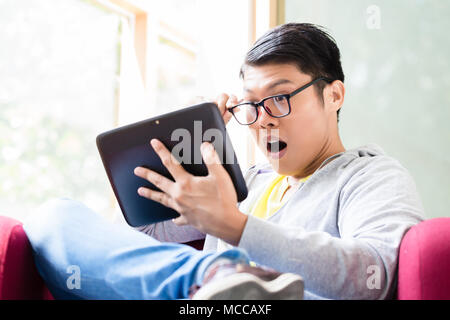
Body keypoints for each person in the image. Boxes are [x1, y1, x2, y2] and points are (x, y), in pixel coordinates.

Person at [23, 23, 424, 300]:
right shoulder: (244, 181)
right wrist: (190, 150)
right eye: (250, 104)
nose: (262, 117)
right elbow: (134, 251)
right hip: (203, 295)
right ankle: (212, 278)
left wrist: (235, 226)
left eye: (279, 98)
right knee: (53, 217)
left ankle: (216, 276)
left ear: (334, 95)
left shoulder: (369, 174)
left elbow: (375, 275)